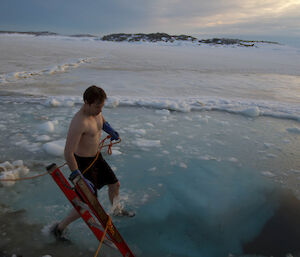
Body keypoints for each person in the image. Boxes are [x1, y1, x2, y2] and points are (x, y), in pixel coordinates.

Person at [52, 85, 134, 241]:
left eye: (102, 106)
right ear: (86, 102)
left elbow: (102, 121)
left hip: (97, 158)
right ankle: (59, 228)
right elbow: (68, 152)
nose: (100, 110)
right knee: (87, 202)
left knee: (115, 184)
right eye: (97, 106)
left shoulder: (97, 112)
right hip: (83, 164)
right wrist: (77, 175)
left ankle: (116, 209)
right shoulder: (79, 123)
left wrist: (110, 130)